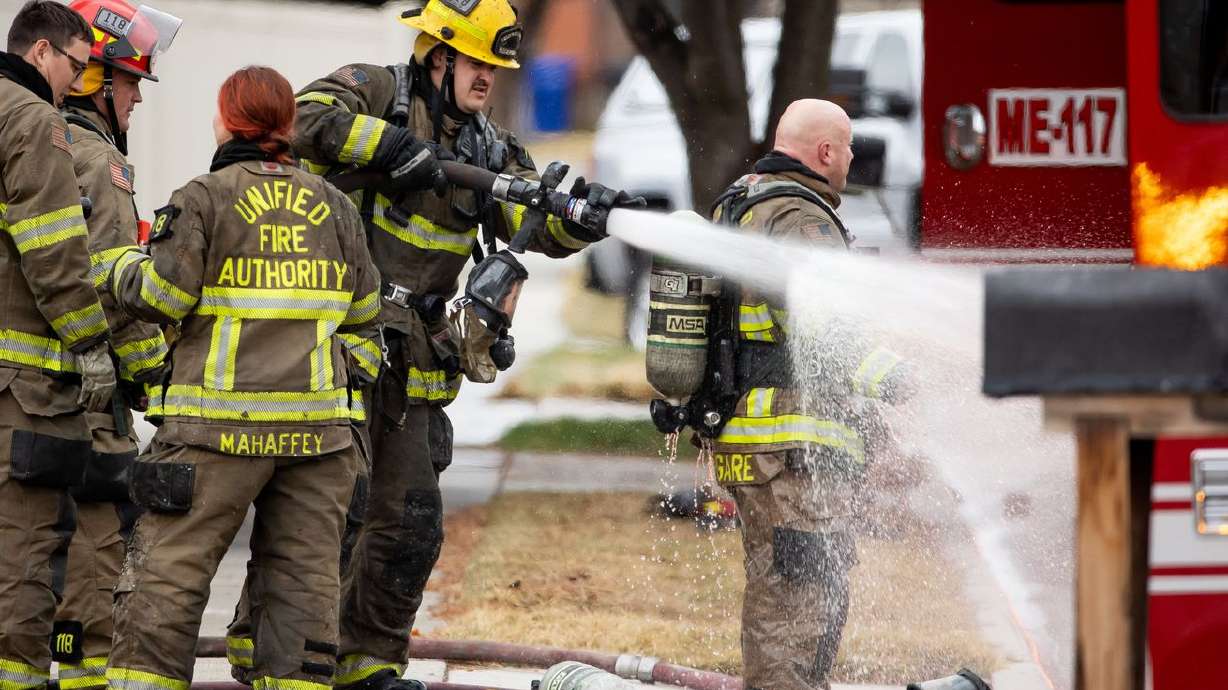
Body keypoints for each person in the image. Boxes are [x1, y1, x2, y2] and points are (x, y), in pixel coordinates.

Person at [226, 3, 639, 689]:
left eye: (495, 67)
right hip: (344, 345)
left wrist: (582, 220)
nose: (487, 78)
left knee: (409, 527)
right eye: (476, 62)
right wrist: (388, 149)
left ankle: (368, 667)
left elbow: (527, 223)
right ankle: (270, 656)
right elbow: (302, 118)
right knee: (329, 516)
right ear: (438, 56)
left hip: (418, 354)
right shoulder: (378, 90)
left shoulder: (492, 149)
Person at [104, 66, 380, 690]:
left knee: (167, 582)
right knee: (303, 591)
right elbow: (366, 324)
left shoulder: (203, 197)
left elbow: (163, 297)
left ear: (228, 121)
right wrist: (337, 385)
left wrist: (118, 267)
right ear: (286, 125)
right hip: (318, 443)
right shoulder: (335, 208)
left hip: (214, 436)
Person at [708, 99, 911, 690]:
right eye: (846, 147)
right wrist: (896, 379)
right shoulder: (802, 220)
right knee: (793, 610)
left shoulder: (745, 202)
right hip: (790, 451)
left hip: (761, 444)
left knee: (791, 597)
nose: (850, 158)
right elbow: (827, 328)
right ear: (826, 152)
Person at [50, 3, 179, 686]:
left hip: (37, 392)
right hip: (85, 396)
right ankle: (81, 675)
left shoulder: (35, 144)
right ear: (90, 79)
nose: (134, 99)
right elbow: (114, 291)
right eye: (128, 83)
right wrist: (161, 381)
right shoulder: (99, 163)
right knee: (95, 553)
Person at [0, 3, 117, 686]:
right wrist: (91, 345)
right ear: (42, 52)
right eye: (76, 65)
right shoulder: (33, 118)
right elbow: (52, 250)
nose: (78, 83)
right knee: (22, 549)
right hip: (22, 383)